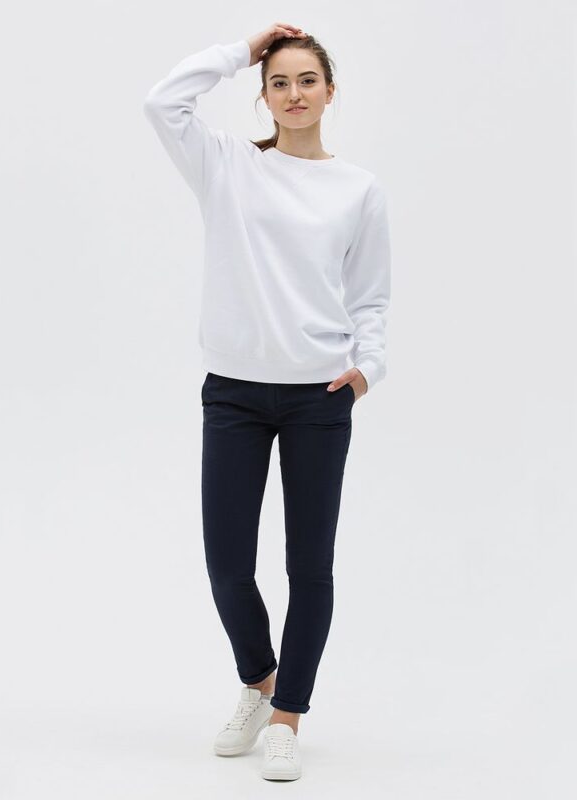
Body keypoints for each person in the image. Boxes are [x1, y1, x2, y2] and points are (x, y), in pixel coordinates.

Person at [143, 21, 392, 781]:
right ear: (263, 94)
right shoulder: (227, 166)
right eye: (278, 82)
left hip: (319, 397)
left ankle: (288, 718)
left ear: (330, 91)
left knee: (309, 566)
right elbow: (162, 103)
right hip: (235, 395)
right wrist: (239, 51)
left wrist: (367, 369)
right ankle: (261, 681)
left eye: (307, 80)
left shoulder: (358, 189)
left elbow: (370, 296)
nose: (293, 94)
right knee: (227, 563)